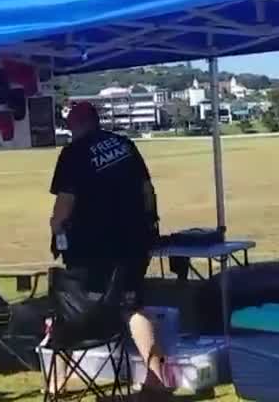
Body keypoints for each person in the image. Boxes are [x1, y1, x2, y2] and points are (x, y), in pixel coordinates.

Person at [49, 102, 167, 389]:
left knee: (72, 304)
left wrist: (56, 227)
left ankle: (58, 380)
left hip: (91, 247)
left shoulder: (73, 153)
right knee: (133, 305)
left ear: (75, 124)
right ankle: (157, 379)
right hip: (133, 241)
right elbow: (147, 190)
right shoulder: (125, 145)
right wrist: (149, 225)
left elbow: (65, 202)